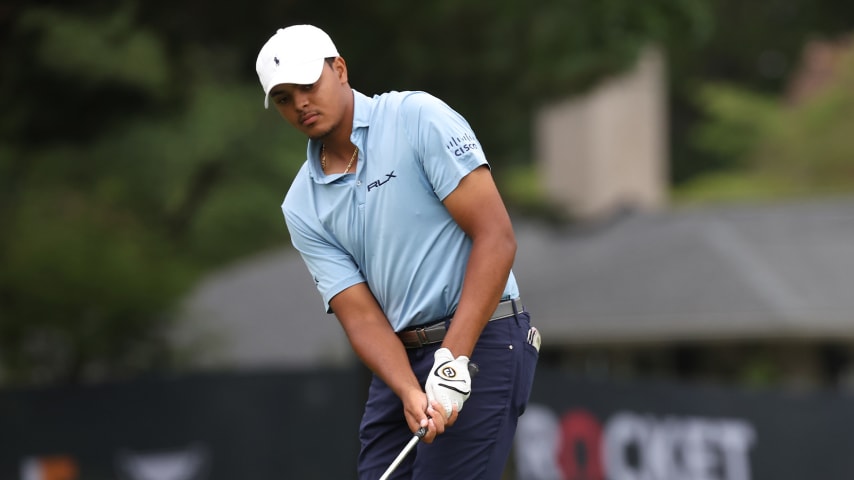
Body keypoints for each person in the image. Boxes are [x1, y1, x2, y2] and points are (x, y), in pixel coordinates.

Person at [255, 24, 540, 479]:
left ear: (340, 69)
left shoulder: (415, 117)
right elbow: (361, 316)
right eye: (285, 97)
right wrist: (409, 390)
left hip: (482, 336)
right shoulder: (302, 204)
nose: (301, 104)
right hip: (401, 362)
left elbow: (496, 237)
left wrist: (452, 360)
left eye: (308, 85)